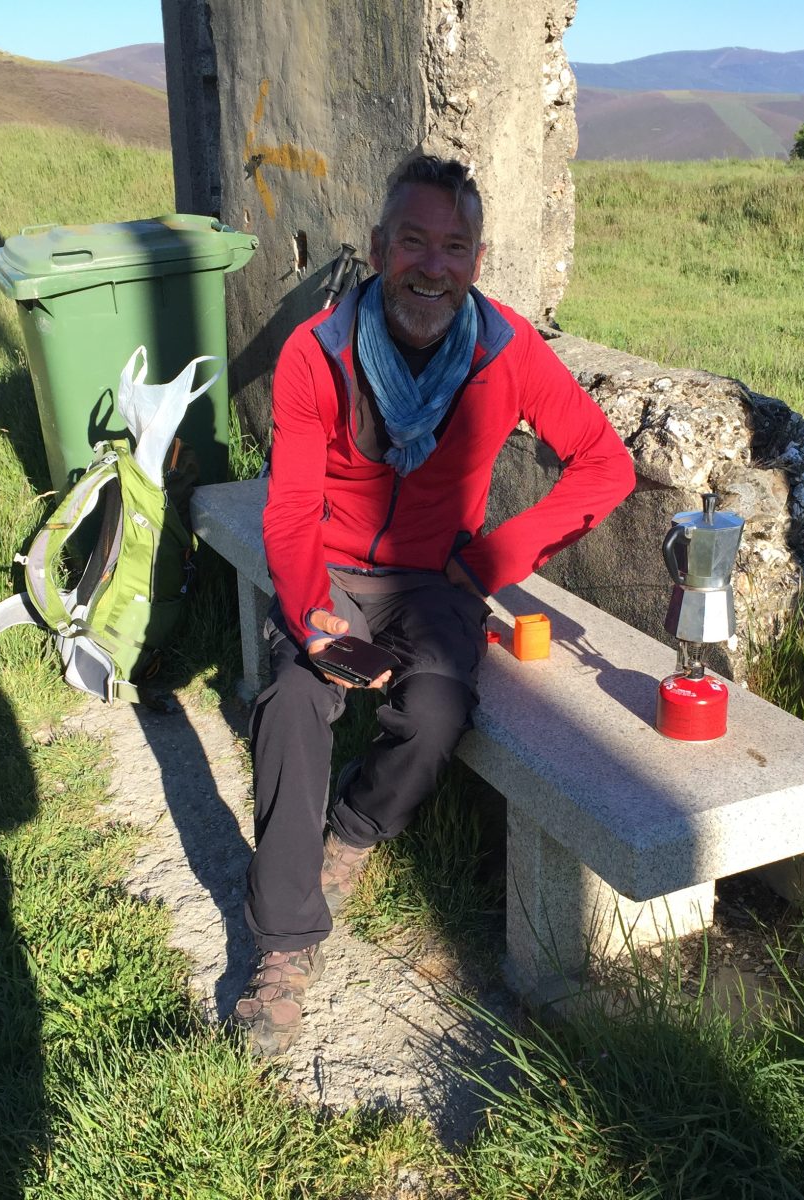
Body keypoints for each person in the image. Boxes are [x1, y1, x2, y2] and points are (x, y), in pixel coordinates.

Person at [234, 153, 635, 1054]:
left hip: (438, 578)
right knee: (293, 699)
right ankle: (284, 945)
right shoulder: (318, 352)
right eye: (413, 241)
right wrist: (312, 614)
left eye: (454, 248)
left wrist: (492, 559)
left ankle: (352, 834)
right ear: (380, 248)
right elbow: (291, 508)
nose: (432, 266)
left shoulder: (507, 349)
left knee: (438, 709)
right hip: (331, 569)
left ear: (477, 262)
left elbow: (605, 464)